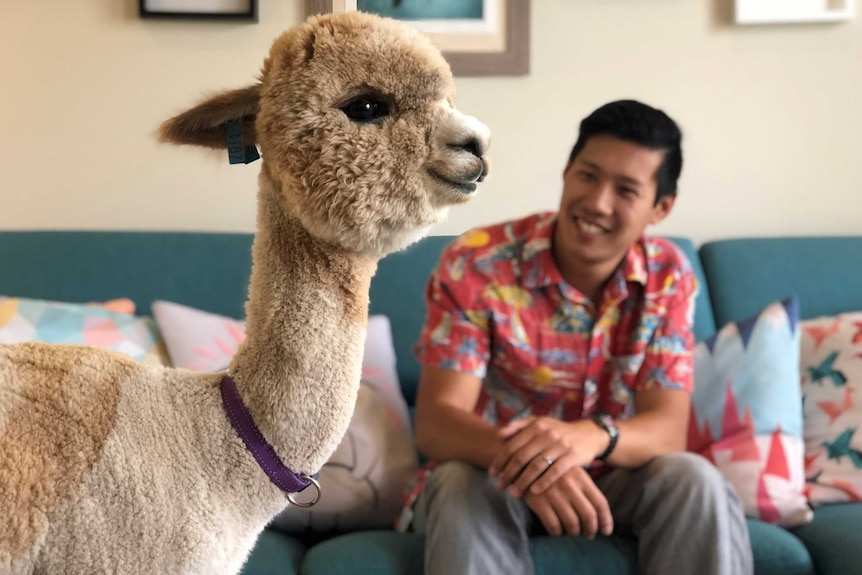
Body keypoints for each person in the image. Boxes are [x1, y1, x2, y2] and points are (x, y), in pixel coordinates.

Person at [397, 100, 753, 575]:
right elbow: (439, 423)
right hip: (492, 476)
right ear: (566, 172)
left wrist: (592, 437)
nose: (598, 202)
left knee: (694, 478)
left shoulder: (669, 276)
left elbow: (668, 428)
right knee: (459, 482)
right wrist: (533, 463)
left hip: (615, 479)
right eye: (588, 175)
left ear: (660, 208)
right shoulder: (478, 262)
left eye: (626, 190)